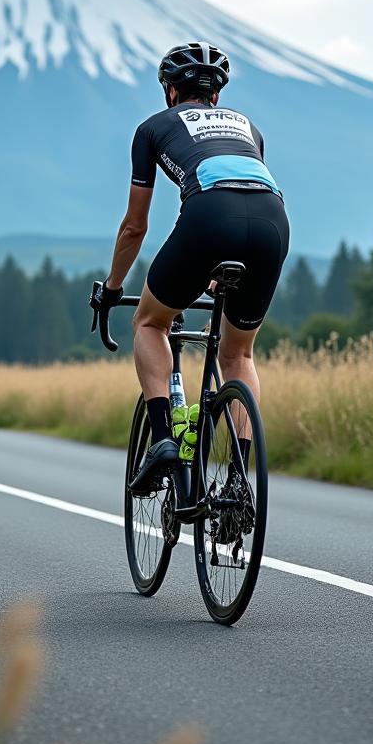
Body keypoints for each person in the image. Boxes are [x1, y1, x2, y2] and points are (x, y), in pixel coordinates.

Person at [94, 42, 290, 492]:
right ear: (217, 96)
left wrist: (112, 286)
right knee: (238, 354)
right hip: (273, 222)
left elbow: (134, 228)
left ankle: (163, 439)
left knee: (149, 321)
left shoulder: (153, 127)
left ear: (169, 91)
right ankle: (240, 478)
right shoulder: (248, 127)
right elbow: (245, 196)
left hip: (208, 216)